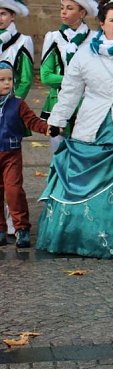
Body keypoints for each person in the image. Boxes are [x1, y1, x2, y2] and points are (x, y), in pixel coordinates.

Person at [36, 0, 113, 258]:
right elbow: (71, 91)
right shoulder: (85, 53)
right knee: (82, 181)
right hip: (92, 126)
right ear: (101, 23)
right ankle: (80, 237)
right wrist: (57, 120)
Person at [40, 0, 98, 150]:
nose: (64, 12)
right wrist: (76, 80)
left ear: (82, 13)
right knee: (58, 153)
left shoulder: (94, 38)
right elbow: (46, 76)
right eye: (62, 8)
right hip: (58, 101)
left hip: (87, 104)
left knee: (84, 153)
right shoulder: (53, 37)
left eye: (70, 8)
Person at [0, 62, 49, 249]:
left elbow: (32, 121)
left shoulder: (18, 104)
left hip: (11, 154)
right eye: (2, 80)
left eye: (10, 79)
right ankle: (1, 229)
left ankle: (21, 228)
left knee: (13, 191)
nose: (7, 83)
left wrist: (47, 128)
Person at [0, 0, 34, 100]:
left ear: (13, 16)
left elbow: (26, 80)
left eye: (3, 14)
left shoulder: (23, 41)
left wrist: (14, 103)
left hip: (9, 101)